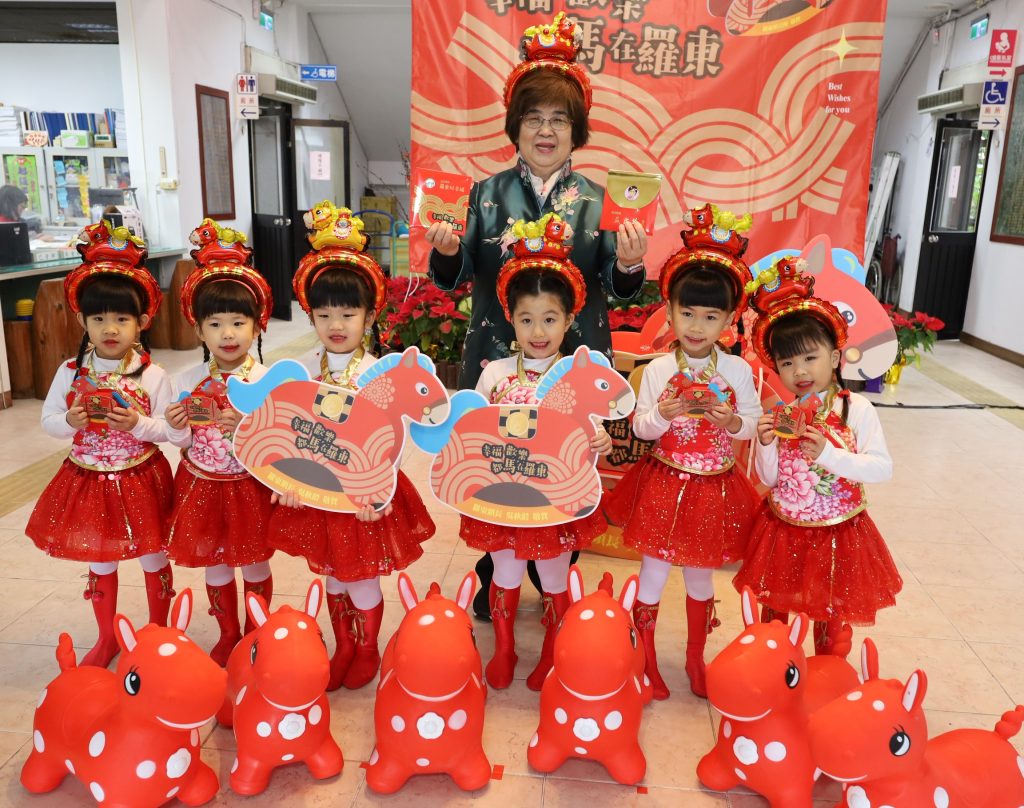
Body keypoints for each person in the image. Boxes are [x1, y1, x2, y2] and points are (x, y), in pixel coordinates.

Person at [425, 12, 648, 614]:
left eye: (559, 119)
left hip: (574, 357)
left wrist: (629, 263)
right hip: (498, 354)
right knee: (497, 462)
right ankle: (494, 566)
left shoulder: (600, 201)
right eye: (533, 118)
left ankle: (557, 570)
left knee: (562, 463)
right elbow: (457, 274)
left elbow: (619, 287)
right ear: (515, 125)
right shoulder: (484, 194)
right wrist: (446, 250)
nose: (546, 131)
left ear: (577, 130)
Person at [267, 213, 435, 691]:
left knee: (361, 578)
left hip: (364, 496)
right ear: (311, 316)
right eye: (324, 315)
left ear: (369, 316)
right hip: (320, 494)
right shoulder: (302, 369)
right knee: (332, 576)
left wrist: (376, 492)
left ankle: (365, 648)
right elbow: (289, 433)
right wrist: (288, 483)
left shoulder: (379, 373)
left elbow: (393, 439)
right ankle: (342, 645)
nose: (336, 325)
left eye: (347, 314)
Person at [603, 223, 761, 700]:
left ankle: (695, 657)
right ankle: (646, 659)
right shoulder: (658, 369)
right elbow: (640, 429)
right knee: (653, 571)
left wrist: (731, 420)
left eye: (710, 317)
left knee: (700, 573)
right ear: (669, 311)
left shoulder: (735, 370)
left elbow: (752, 426)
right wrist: (663, 415)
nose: (696, 326)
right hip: (665, 482)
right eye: (686, 313)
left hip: (714, 485)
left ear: (729, 318)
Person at [462, 215, 614, 690]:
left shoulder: (579, 377)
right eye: (526, 319)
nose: (538, 331)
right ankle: (505, 648)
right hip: (505, 496)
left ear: (569, 319)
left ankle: (551, 651)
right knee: (505, 571)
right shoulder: (495, 374)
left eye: (550, 319)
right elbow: (474, 433)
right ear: (511, 317)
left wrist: (599, 441)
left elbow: (590, 436)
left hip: (556, 501)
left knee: (553, 574)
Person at [733, 257, 901, 656]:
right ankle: (774, 668)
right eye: (787, 363)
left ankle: (828, 672)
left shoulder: (855, 409)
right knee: (776, 615)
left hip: (836, 532)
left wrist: (829, 454)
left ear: (835, 358)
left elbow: (881, 468)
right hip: (784, 528)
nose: (799, 371)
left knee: (831, 618)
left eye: (810, 358)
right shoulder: (782, 414)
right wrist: (767, 444)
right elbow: (771, 480)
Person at [25, 250, 175, 668]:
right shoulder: (69, 371)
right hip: (87, 478)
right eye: (98, 319)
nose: (110, 328)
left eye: (122, 319)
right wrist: (69, 421)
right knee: (100, 557)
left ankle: (158, 633)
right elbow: (48, 420)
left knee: (153, 555)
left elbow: (169, 429)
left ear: (142, 321)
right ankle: (107, 638)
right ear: (82, 321)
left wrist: (138, 424)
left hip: (141, 476)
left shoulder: (153, 375)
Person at [162, 236, 275, 666]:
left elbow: (279, 442)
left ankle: (257, 631)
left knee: (255, 562)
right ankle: (228, 633)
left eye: (238, 322)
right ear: (198, 329)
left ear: (257, 326)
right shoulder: (185, 380)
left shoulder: (267, 381)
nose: (228, 334)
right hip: (203, 485)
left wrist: (249, 428)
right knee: (216, 562)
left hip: (250, 485)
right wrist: (175, 428)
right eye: (215, 324)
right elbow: (182, 442)